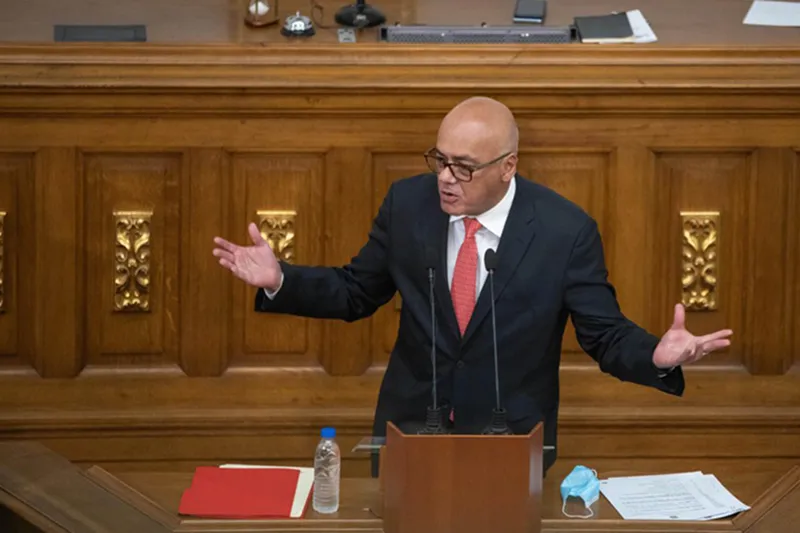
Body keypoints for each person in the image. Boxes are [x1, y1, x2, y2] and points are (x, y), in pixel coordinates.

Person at [212, 96, 733, 475]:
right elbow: (356, 291)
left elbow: (604, 335)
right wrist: (281, 279)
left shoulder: (564, 231)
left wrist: (655, 356)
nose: (445, 177)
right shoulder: (407, 206)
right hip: (411, 431)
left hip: (509, 439)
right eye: (439, 160)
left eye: (463, 167)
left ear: (508, 167)